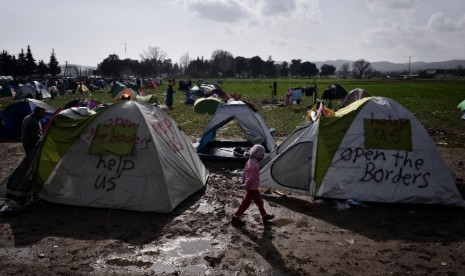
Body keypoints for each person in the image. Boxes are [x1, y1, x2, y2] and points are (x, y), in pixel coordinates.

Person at [232, 144, 274, 225]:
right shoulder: (255, 166)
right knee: (247, 203)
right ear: (257, 155)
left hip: (251, 187)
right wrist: (245, 185)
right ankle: (235, 217)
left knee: (258, 202)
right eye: (262, 154)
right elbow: (251, 179)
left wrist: (244, 181)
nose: (263, 156)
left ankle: (264, 216)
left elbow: (244, 172)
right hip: (252, 188)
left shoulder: (249, 161)